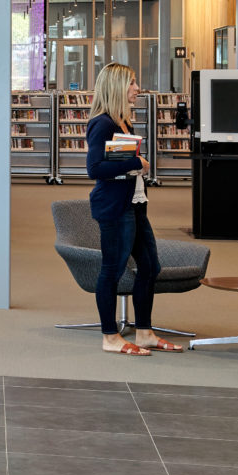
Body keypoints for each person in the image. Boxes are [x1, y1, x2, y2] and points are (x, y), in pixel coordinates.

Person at [84, 62, 181, 357]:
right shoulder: (103, 124)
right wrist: (136, 164)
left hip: (136, 204)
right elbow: (95, 169)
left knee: (151, 267)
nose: (137, 88)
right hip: (114, 208)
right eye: (132, 83)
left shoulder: (124, 123)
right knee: (111, 271)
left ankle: (144, 332)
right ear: (116, 87)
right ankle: (109, 336)